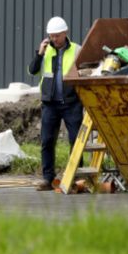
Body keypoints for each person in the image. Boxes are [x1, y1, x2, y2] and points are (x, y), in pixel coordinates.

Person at [28, 16, 84, 191]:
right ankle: (48, 178)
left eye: (57, 36)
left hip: (71, 103)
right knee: (47, 140)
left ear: (65, 33)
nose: (54, 39)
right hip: (50, 103)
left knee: (76, 142)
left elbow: (86, 71)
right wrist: (40, 53)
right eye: (51, 36)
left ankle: (76, 178)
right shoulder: (45, 51)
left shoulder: (76, 50)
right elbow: (32, 70)